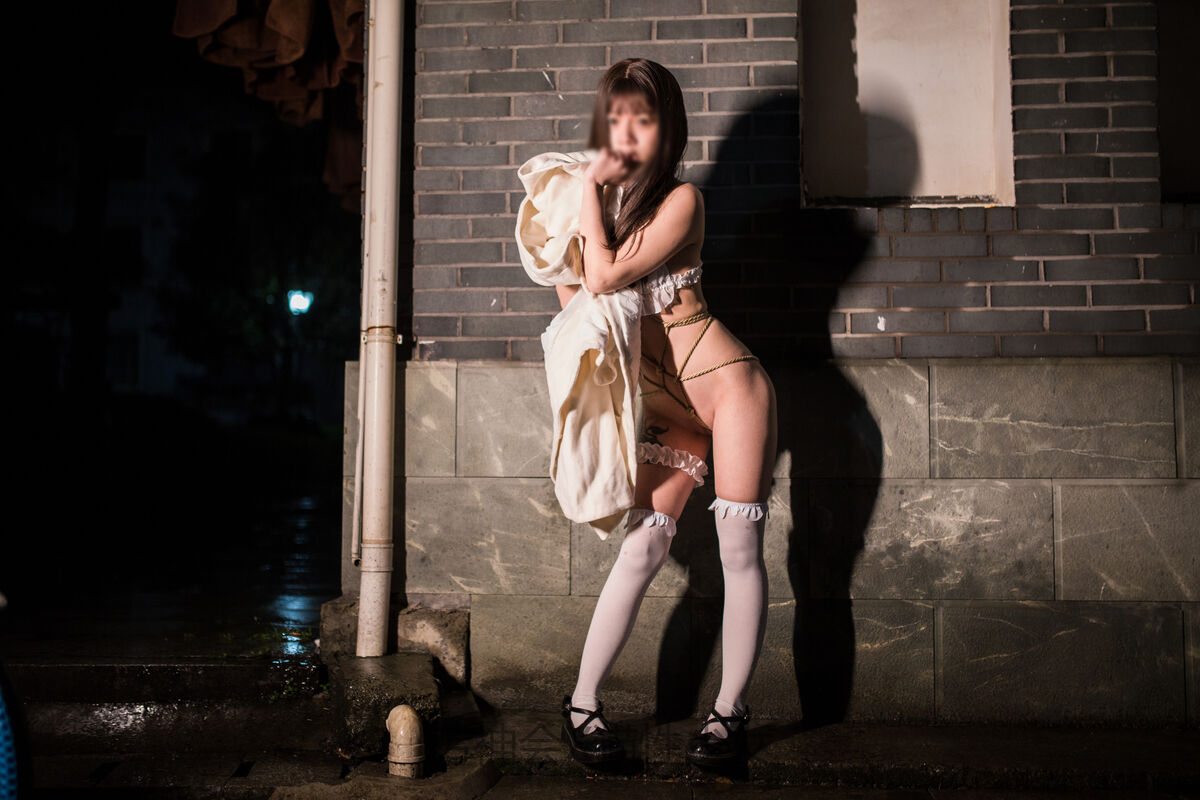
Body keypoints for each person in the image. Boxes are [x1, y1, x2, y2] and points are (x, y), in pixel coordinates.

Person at [557, 58, 778, 770]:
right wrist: (583, 205)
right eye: (615, 118)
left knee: (738, 549)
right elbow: (577, 306)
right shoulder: (595, 211)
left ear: (667, 129)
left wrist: (587, 190)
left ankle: (728, 717)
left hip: (728, 388)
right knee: (644, 547)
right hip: (665, 405)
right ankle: (581, 707)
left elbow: (604, 276)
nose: (626, 133)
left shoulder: (683, 200)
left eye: (643, 120)